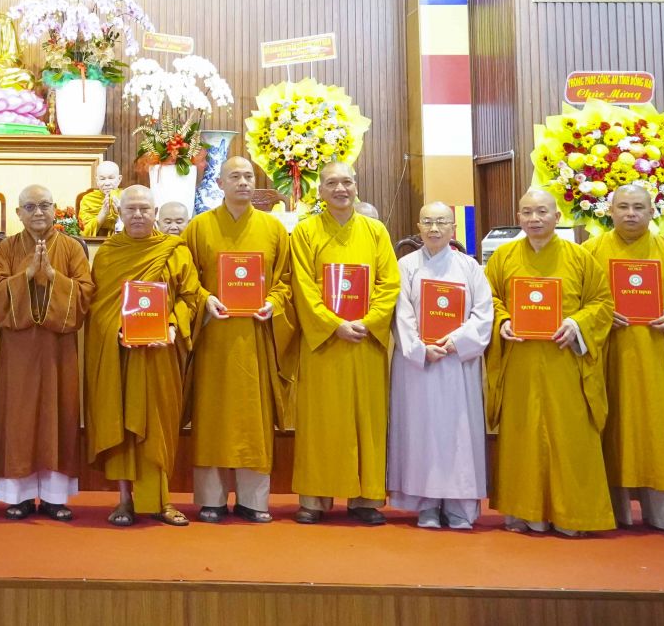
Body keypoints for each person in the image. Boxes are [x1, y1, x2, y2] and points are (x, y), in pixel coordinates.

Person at [584, 184, 664, 532]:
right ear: (609, 211)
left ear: (652, 211)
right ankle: (613, 510)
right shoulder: (588, 253)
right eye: (623, 206)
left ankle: (661, 510)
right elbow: (573, 301)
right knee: (609, 430)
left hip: (657, 362)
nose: (630, 213)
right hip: (608, 360)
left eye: (638, 207)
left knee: (657, 431)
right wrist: (598, 314)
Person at [485, 189, 615, 536]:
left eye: (542, 212)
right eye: (527, 212)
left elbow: (602, 303)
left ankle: (572, 515)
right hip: (521, 361)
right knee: (523, 436)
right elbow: (489, 300)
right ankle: (525, 512)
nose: (534, 219)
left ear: (557, 217)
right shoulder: (503, 257)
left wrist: (576, 324)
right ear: (518, 217)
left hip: (565, 361)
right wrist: (503, 321)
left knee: (570, 436)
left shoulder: (580, 257)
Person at [87, 185, 213, 526]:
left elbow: (190, 297)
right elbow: (98, 306)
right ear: (121, 213)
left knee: (159, 426)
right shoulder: (109, 253)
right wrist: (115, 329)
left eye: (145, 209)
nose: (139, 215)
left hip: (161, 354)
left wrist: (172, 326)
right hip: (121, 354)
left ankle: (162, 501)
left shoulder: (174, 250)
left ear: (155, 213)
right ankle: (124, 500)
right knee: (123, 424)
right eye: (131, 209)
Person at [180, 156, 293, 523]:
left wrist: (273, 302)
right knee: (212, 416)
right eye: (235, 176)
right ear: (220, 184)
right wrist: (204, 299)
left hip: (255, 336)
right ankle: (210, 499)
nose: (243, 182)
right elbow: (185, 278)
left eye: (248, 176)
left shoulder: (273, 228)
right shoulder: (199, 227)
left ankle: (253, 500)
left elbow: (286, 279)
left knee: (253, 418)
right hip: (214, 337)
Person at [288, 161, 399, 525]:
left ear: (356, 186)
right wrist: (333, 325)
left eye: (347, 182)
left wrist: (368, 322)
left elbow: (389, 283)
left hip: (365, 341)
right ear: (320, 191)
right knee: (321, 421)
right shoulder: (305, 232)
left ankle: (365, 499)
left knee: (367, 419)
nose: (340, 189)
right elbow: (302, 285)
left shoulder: (376, 231)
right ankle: (314, 499)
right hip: (324, 343)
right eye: (332, 183)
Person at [0, 184, 93, 521]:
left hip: (57, 349)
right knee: (18, 418)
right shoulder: (6, 248)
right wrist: (28, 275)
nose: (38, 213)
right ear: (18, 213)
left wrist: (52, 276)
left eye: (45, 205)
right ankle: (17, 496)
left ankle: (53, 496)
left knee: (57, 415)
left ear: (55, 209)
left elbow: (86, 293)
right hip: (18, 349)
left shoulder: (72, 248)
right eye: (30, 207)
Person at [387, 202, 493, 529]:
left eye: (442, 222)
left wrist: (456, 341)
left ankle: (459, 508)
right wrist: (420, 348)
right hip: (418, 365)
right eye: (428, 222)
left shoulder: (469, 267)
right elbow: (400, 313)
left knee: (459, 433)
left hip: (456, 364)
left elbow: (483, 313)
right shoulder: (405, 266)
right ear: (418, 227)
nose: (434, 229)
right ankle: (426, 505)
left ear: (453, 228)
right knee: (420, 433)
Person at [78, 160, 124, 237]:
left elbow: (137, 226)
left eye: (111, 178)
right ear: (97, 180)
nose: (107, 183)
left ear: (119, 179)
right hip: (96, 242)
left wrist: (120, 213)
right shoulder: (88, 200)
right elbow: (83, 231)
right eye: (102, 179)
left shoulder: (127, 197)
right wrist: (103, 214)